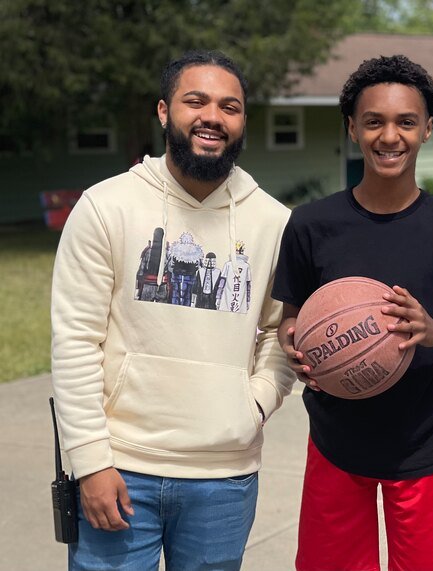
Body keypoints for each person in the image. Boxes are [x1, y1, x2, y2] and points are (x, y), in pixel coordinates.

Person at [50, 50, 295, 570]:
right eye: (195, 101)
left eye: (230, 106)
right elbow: (75, 341)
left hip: (225, 478)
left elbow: (280, 331)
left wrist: (253, 405)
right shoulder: (105, 206)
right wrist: (90, 461)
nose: (213, 116)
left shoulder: (275, 222)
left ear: (243, 121)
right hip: (120, 467)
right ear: (164, 112)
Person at [271, 55, 433, 571]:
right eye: (373, 121)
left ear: (428, 129)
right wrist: (293, 341)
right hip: (334, 445)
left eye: (405, 122)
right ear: (352, 128)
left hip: (420, 449)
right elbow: (291, 320)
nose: (388, 135)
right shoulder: (310, 225)